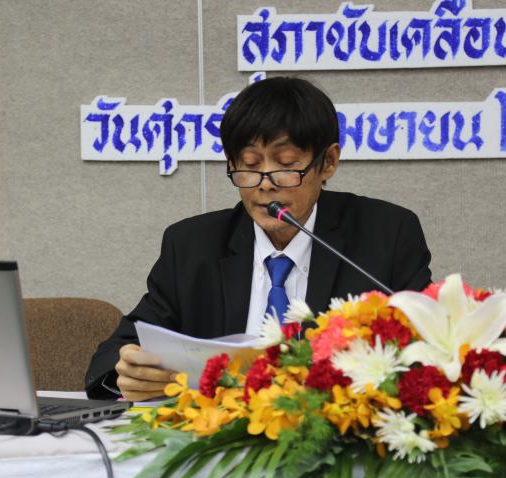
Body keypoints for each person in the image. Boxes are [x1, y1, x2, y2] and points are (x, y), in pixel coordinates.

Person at [85, 76, 432, 401]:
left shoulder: (386, 236)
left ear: (328, 162)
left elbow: (425, 352)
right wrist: (128, 373)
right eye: (249, 165)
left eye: (286, 164)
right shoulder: (191, 245)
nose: (265, 184)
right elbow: (120, 348)